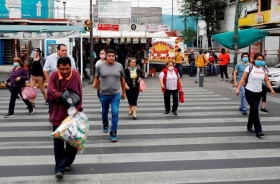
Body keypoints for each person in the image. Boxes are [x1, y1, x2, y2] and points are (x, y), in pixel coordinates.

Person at [47, 57, 83, 179]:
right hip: (57, 113)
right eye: (62, 69)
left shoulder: (76, 74)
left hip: (72, 114)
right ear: (58, 67)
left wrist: (79, 106)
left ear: (70, 67)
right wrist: (64, 96)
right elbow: (50, 92)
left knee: (72, 142)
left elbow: (79, 91)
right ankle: (59, 168)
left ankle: (67, 161)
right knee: (58, 143)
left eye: (67, 69)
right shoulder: (53, 75)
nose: (65, 71)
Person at [236, 53, 275, 138]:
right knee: (255, 109)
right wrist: (238, 88)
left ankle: (249, 126)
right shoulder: (249, 68)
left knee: (253, 110)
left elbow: (266, 80)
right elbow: (243, 79)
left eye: (262, 59)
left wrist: (271, 89)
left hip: (258, 92)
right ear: (254, 60)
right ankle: (258, 130)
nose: (260, 61)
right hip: (249, 91)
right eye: (258, 59)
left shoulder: (264, 69)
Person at [93, 49, 126, 142]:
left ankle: (113, 132)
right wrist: (99, 88)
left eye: (113, 56)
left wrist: (124, 92)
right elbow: (96, 78)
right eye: (109, 56)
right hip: (104, 94)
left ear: (115, 57)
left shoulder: (119, 66)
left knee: (115, 113)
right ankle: (105, 123)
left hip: (115, 94)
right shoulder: (99, 66)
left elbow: (122, 79)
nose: (111, 57)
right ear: (106, 56)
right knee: (104, 112)